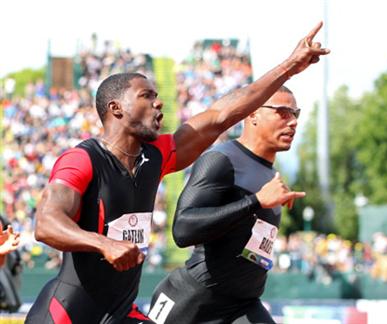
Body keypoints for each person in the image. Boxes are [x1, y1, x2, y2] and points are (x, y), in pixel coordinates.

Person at [26, 22, 329, 324]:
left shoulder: (156, 155)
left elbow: (221, 116)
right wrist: (103, 243)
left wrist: (290, 66)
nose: (158, 103)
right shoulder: (82, 159)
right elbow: (46, 224)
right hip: (66, 313)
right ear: (116, 108)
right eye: (146, 95)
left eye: (157, 95)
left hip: (119, 314)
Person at [148, 85, 303, 324]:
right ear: (252, 113)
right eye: (283, 112)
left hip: (242, 306)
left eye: (295, 114)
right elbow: (182, 230)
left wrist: (260, 204)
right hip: (193, 303)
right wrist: (256, 201)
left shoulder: (271, 175)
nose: (292, 122)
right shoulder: (222, 159)